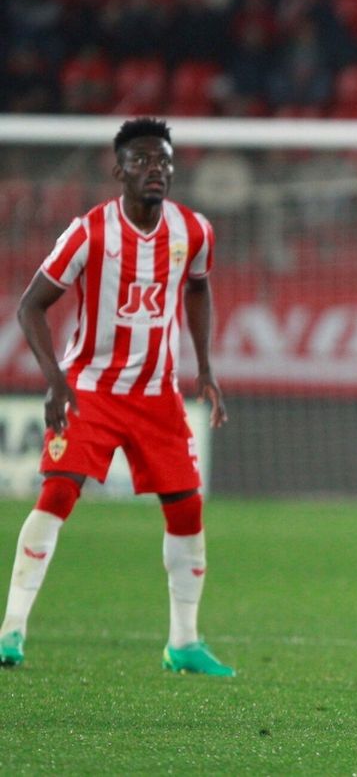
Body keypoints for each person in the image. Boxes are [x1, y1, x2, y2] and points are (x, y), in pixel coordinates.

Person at [1, 118, 232, 676]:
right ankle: (11, 630)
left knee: (187, 509)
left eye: (165, 162)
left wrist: (205, 367)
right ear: (120, 170)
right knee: (57, 496)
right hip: (91, 390)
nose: (157, 170)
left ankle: (183, 643)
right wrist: (55, 377)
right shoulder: (89, 233)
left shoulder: (193, 232)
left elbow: (198, 287)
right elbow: (31, 305)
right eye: (144, 161)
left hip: (158, 395)